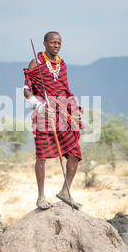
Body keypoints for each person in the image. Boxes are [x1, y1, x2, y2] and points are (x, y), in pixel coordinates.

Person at [23, 31, 83, 210]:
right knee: (41, 156)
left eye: (59, 43)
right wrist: (39, 106)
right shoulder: (36, 62)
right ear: (44, 43)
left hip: (63, 113)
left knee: (74, 153)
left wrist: (73, 108)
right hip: (44, 113)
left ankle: (65, 192)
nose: (56, 46)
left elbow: (65, 88)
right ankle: (41, 197)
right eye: (52, 42)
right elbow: (26, 90)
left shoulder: (62, 64)